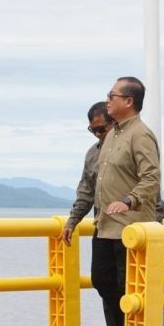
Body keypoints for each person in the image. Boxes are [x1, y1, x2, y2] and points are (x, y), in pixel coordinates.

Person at [88, 76, 161, 326]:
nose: (107, 100)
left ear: (128, 101)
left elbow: (151, 177)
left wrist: (129, 201)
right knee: (101, 279)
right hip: (105, 225)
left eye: (112, 96)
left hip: (129, 227)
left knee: (125, 285)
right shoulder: (112, 135)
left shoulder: (140, 134)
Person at [61, 101, 113, 246]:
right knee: (99, 269)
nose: (97, 134)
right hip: (102, 226)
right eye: (92, 129)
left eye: (101, 129)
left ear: (114, 123)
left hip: (130, 227)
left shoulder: (130, 147)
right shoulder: (92, 153)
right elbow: (86, 191)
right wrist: (72, 222)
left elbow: (149, 182)